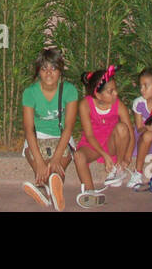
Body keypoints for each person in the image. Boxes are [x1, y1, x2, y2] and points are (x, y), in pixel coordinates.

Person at [20, 47, 81, 210]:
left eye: (53, 68)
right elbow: (29, 129)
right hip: (37, 136)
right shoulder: (29, 93)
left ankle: (44, 190)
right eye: (44, 68)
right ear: (38, 72)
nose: (49, 73)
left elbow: (68, 127)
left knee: (56, 168)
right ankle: (51, 189)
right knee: (39, 161)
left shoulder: (69, 91)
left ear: (60, 71)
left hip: (61, 136)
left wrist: (55, 158)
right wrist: (39, 162)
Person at [71, 65, 134, 208]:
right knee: (78, 156)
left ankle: (117, 170)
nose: (116, 93)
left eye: (115, 89)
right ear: (98, 95)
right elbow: (89, 135)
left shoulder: (119, 105)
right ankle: (90, 192)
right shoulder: (85, 104)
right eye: (110, 91)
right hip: (93, 144)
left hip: (112, 142)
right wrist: (104, 155)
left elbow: (130, 133)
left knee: (122, 128)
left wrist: (127, 158)